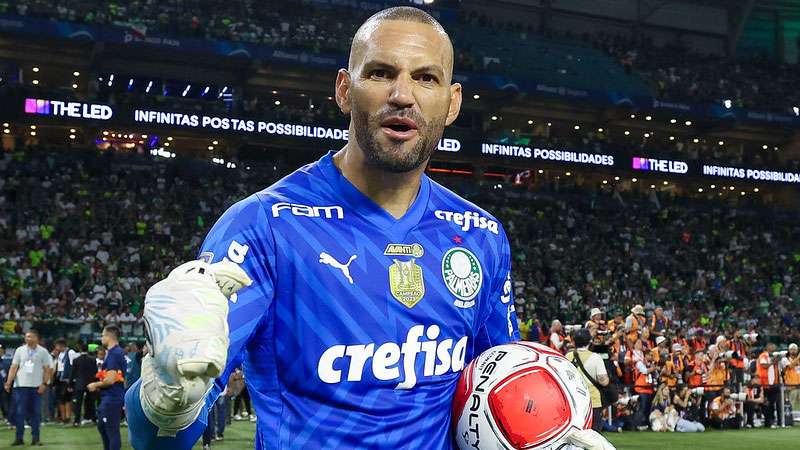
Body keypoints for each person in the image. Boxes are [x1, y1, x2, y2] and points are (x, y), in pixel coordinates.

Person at [123, 6, 614, 450]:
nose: (402, 95)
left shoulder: (480, 235)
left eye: (426, 78)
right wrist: (168, 401)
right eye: (381, 73)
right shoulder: (263, 227)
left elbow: (493, 396)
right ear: (344, 88)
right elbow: (158, 443)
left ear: (452, 102)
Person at [3, 329, 54, 446]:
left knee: (36, 413)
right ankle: (19, 438)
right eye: (26, 337)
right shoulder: (20, 350)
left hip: (36, 387)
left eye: (30, 337)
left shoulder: (43, 351)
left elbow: (47, 369)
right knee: (20, 413)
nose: (27, 339)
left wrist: (44, 384)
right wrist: (8, 382)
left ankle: (35, 438)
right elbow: (14, 367)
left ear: (36, 338)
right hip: (21, 386)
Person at [88, 325, 127, 450]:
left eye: (103, 335)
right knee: (102, 426)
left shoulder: (114, 353)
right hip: (110, 396)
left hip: (112, 397)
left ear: (109, 336)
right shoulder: (113, 352)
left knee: (111, 430)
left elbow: (110, 380)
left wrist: (95, 384)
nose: (101, 338)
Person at [566, 328, 609, 432]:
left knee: (577, 434)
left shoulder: (568, 356)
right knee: (593, 435)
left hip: (574, 401)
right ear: (590, 341)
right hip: (593, 401)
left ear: (574, 342)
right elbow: (604, 381)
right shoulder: (596, 357)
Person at [70, 342, 98, 426]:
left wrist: (70, 385)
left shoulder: (76, 360)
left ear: (80, 349)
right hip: (90, 383)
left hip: (79, 384)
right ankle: (93, 418)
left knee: (78, 403)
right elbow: (95, 372)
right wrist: (96, 383)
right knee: (91, 402)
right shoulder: (92, 359)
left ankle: (76, 420)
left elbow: (73, 373)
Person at [53, 338, 78, 425]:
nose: (55, 348)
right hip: (59, 378)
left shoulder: (70, 352)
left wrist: (71, 380)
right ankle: (62, 417)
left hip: (67, 379)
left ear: (61, 345)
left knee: (67, 398)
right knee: (60, 399)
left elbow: (73, 366)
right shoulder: (59, 354)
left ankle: (68, 417)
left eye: (56, 346)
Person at [757, 342, 780, 428]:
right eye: (772, 345)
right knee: (767, 404)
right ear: (768, 347)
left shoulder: (773, 355)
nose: (774, 347)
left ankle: (771, 422)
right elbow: (763, 365)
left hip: (773, 383)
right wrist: (773, 362)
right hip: (765, 383)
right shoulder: (763, 355)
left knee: (771, 404)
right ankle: (768, 422)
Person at [780, 343, 800, 411]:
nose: (793, 351)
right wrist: (798, 357)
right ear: (788, 350)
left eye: (795, 349)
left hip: (799, 385)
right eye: (791, 349)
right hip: (790, 386)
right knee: (791, 404)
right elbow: (790, 366)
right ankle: (789, 418)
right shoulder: (785, 359)